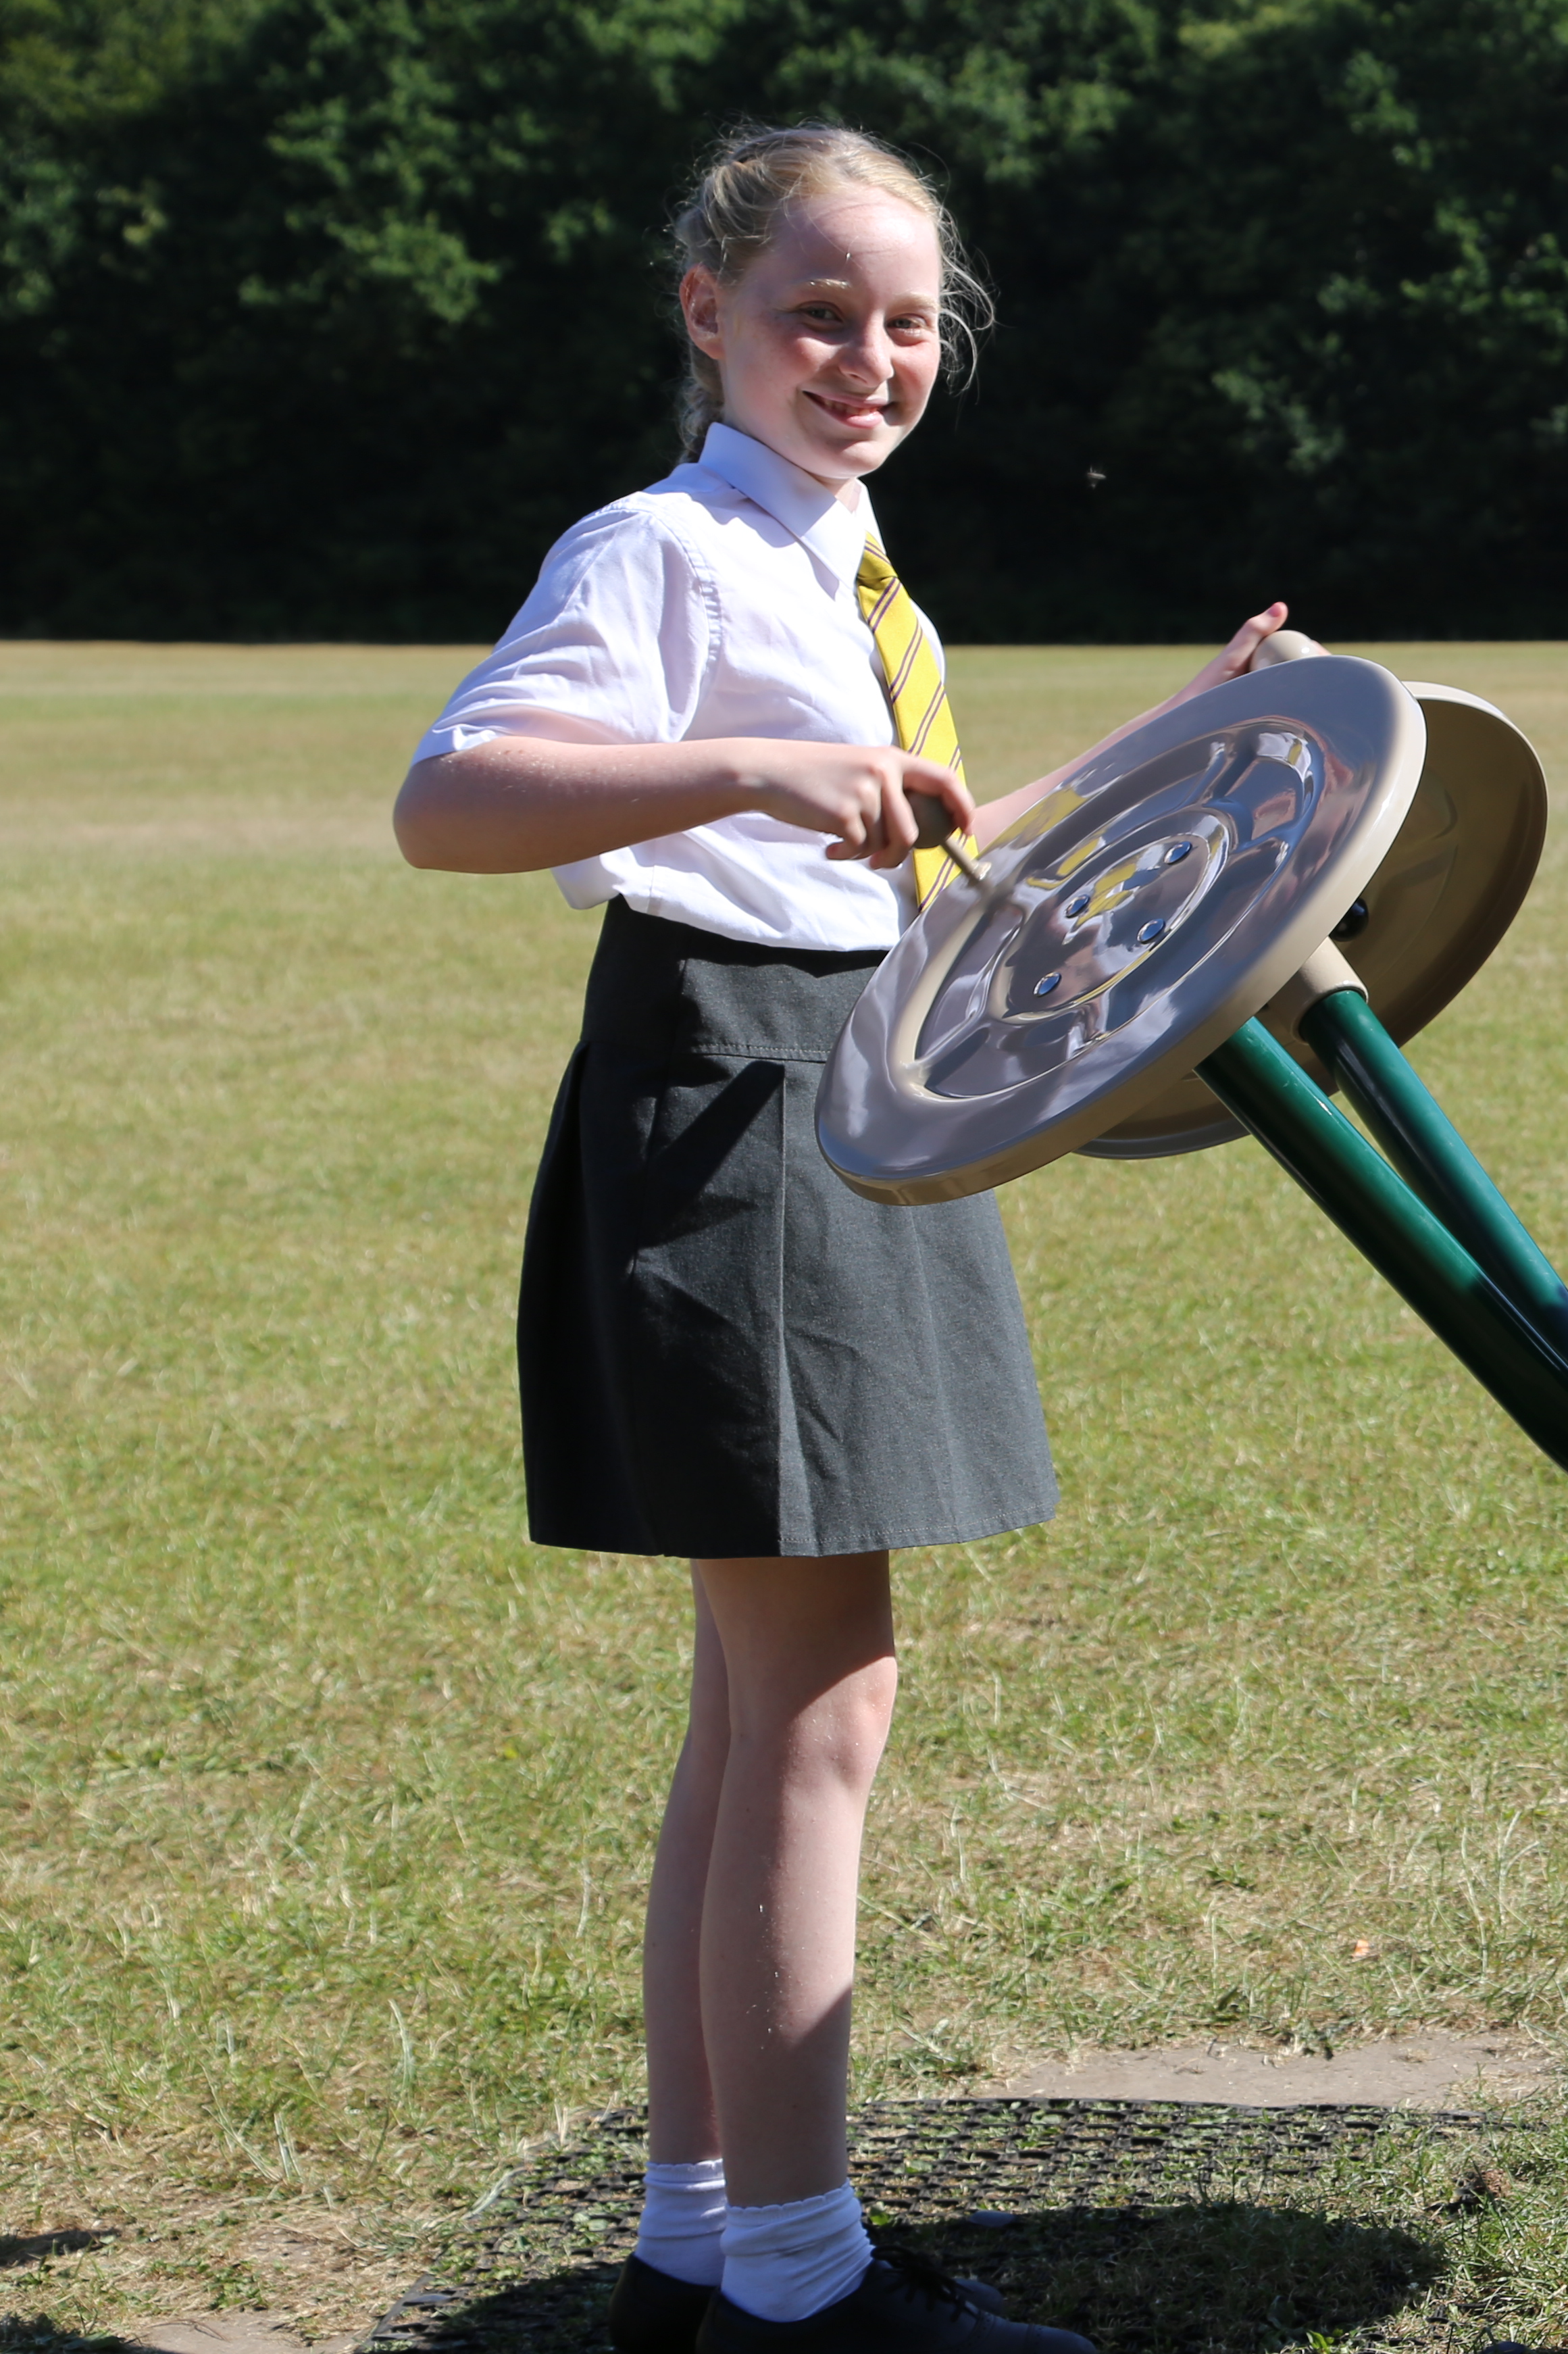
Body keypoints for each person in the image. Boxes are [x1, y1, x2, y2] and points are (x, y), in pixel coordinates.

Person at [394, 121, 1285, 2354]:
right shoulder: (667, 547)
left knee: (755, 1707)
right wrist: (743, 768)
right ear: (703, 314)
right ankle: (805, 2286)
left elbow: (915, 841)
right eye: (816, 311)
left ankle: (702, 2255)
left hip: (843, 1071)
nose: (867, 357)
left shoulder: (849, 562)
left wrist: (1186, 735)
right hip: (744, 1098)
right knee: (822, 1710)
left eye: (906, 321)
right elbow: (450, 800)